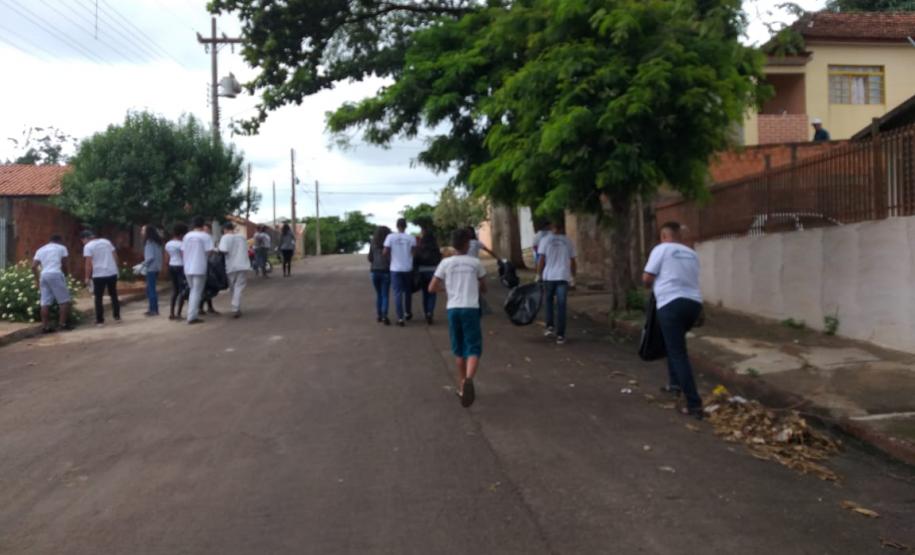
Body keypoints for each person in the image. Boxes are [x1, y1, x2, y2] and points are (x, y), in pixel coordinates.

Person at [642, 221, 704, 419]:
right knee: (673, 344)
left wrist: (650, 285)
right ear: (680, 235)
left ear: (663, 236)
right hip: (693, 304)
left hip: (670, 303)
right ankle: (675, 384)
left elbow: (647, 278)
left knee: (678, 352)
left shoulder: (661, 249)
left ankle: (694, 404)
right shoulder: (691, 253)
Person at [428, 228, 487, 407]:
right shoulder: (475, 263)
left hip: (453, 309)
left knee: (459, 349)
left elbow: (431, 288)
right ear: (467, 244)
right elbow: (484, 287)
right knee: (473, 347)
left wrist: (447, 289)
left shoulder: (445, 263)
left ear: (453, 244)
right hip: (471, 308)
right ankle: (469, 379)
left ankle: (462, 386)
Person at [537, 220, 576, 345]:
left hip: (549, 276)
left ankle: (549, 327)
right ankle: (561, 335)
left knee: (548, 302)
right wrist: (573, 277)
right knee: (561, 305)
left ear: (552, 228)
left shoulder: (545, 240)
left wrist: (538, 275)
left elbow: (541, 260)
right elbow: (573, 261)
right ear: (562, 228)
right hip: (563, 276)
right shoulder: (568, 241)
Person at [31, 234, 72, 333]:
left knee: (45, 302)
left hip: (44, 275)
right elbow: (64, 263)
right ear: (59, 240)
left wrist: (37, 280)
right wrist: (66, 274)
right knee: (64, 301)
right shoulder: (61, 248)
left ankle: (45, 327)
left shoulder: (41, 249)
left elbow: (33, 266)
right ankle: (62, 324)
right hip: (55, 274)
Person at [81, 230, 120, 326]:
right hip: (112, 272)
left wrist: (87, 277)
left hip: (99, 274)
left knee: (98, 297)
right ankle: (117, 316)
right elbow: (115, 255)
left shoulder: (88, 246)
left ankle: (100, 320)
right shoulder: (106, 242)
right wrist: (116, 268)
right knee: (113, 294)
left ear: (85, 239)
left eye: (82, 240)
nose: (83, 242)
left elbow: (88, 263)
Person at [383, 218, 417, 327]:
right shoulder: (411, 238)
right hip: (407, 268)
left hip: (395, 268)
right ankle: (408, 313)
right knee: (408, 292)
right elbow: (414, 253)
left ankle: (400, 318)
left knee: (397, 293)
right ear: (406, 226)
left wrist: (391, 257)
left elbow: (385, 252)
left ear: (397, 226)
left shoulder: (390, 237)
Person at [182, 216, 214, 324]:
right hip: (199, 267)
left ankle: (191, 314)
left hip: (187, 267)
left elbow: (183, 251)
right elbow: (210, 251)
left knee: (193, 291)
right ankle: (191, 317)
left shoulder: (187, 236)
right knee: (196, 291)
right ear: (203, 225)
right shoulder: (205, 236)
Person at [219, 221, 250, 318]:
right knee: (239, 287)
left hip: (231, 266)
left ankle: (235, 307)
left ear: (225, 229)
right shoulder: (242, 237)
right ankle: (236, 307)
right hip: (243, 264)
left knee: (233, 287)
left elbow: (223, 250)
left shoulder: (225, 237)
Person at [415, 222, 442, 325]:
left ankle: (426, 312)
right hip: (433, 271)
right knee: (432, 293)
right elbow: (439, 258)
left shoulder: (420, 246)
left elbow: (416, 258)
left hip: (422, 271)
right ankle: (430, 312)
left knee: (425, 293)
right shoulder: (435, 246)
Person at [368, 226, 392, 325]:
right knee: (385, 294)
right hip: (386, 271)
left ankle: (379, 315)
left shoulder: (373, 243)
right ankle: (384, 316)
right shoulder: (388, 243)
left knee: (379, 294)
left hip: (374, 271)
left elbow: (370, 258)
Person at [165, 223, 188, 320]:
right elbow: (184, 256)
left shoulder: (168, 244)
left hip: (172, 266)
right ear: (182, 234)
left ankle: (172, 313)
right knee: (182, 290)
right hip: (180, 267)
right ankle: (179, 313)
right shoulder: (182, 244)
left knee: (175, 290)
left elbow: (166, 258)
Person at [142, 225, 164, 317]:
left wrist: (142, 265)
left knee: (151, 289)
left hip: (151, 268)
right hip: (157, 267)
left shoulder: (149, 242)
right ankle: (153, 308)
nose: (141, 232)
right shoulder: (157, 242)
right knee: (150, 288)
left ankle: (153, 309)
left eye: (143, 230)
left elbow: (149, 257)